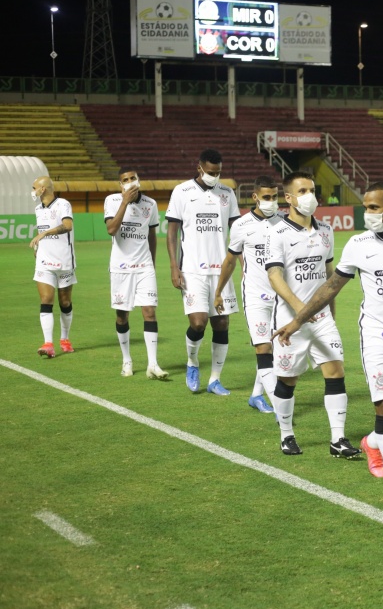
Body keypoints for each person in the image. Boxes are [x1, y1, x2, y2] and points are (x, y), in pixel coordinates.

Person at [274, 181, 383, 504]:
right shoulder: (358, 244)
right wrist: (297, 320)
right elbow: (331, 287)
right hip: (376, 337)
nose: (365, 213)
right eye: (364, 206)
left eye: (372, 208)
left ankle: (372, 442)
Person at [264, 171, 358, 458]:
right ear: (289, 198)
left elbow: (330, 277)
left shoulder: (326, 231)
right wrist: (300, 311)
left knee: (335, 371)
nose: (310, 196)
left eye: (312, 190)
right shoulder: (276, 233)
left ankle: (338, 440)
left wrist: (329, 312)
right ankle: (286, 435)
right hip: (289, 320)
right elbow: (274, 276)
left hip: (321, 319)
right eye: (303, 191)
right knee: (288, 379)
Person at [165, 149, 240, 395]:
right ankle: (192, 362)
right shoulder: (182, 192)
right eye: (210, 172)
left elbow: (237, 231)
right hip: (192, 270)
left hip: (221, 271)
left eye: (218, 173)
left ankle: (215, 380)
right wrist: (174, 266)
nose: (214, 176)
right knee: (198, 323)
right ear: (199, 167)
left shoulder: (227, 194)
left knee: (222, 323)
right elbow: (172, 232)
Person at [214, 175, 283, 414]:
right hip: (255, 296)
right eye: (266, 197)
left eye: (275, 197)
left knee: (275, 350)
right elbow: (230, 261)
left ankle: (256, 395)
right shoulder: (241, 226)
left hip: (281, 297)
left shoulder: (284, 222)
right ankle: (280, 408)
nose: (271, 201)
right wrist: (218, 292)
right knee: (263, 348)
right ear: (255, 197)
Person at [103, 167, 168, 379]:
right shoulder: (112, 201)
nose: (130, 182)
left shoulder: (150, 204)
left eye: (133, 178)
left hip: (144, 266)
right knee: (122, 316)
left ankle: (153, 364)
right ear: (120, 184)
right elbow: (111, 229)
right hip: (121, 268)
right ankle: (127, 360)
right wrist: (124, 202)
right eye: (125, 180)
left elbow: (152, 236)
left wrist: (152, 264)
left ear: (139, 180)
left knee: (149, 312)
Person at [29, 176, 76, 358]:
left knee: (65, 302)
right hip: (44, 261)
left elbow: (67, 226)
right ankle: (48, 343)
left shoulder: (63, 204)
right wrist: (40, 245)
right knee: (46, 299)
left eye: (34, 188)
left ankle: (64, 339)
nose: (32, 191)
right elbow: (43, 230)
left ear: (43, 189)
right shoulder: (38, 209)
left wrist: (44, 234)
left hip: (64, 262)